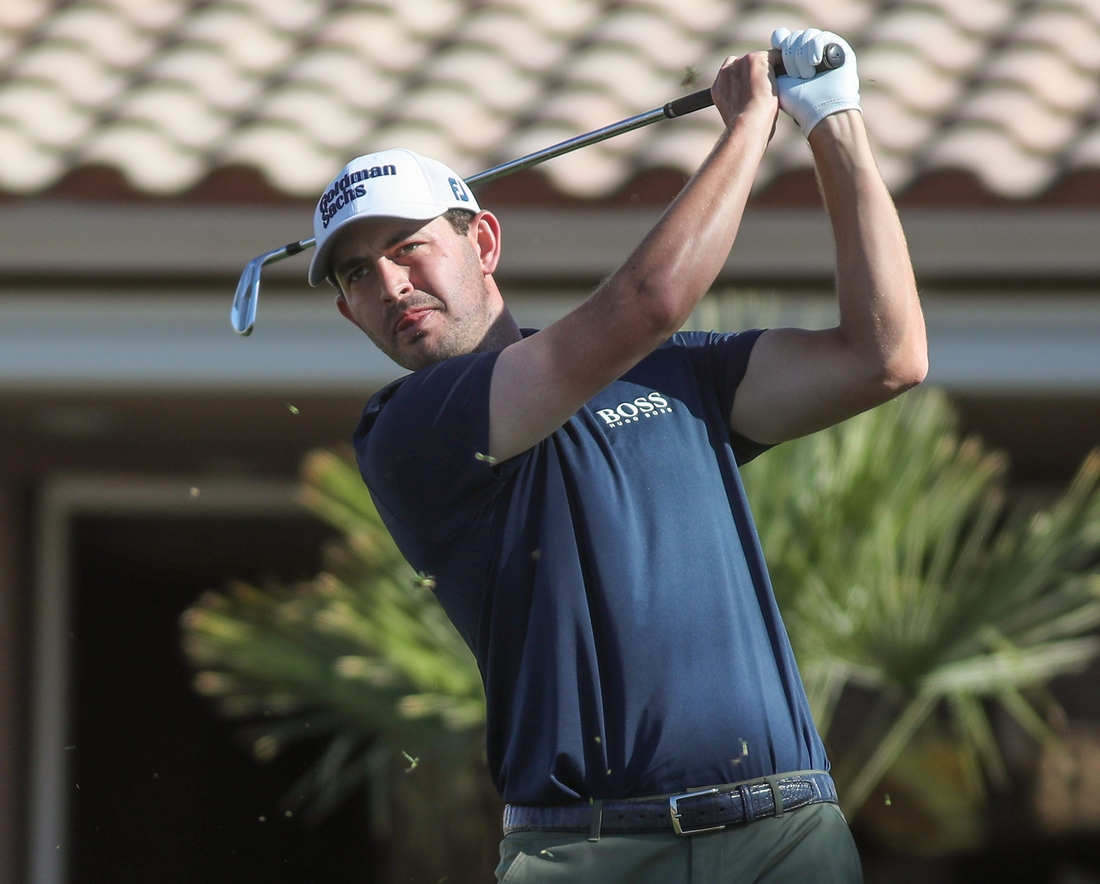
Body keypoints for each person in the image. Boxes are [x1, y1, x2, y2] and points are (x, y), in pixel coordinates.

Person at [308, 27, 926, 884]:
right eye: (356, 275)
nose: (391, 286)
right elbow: (649, 301)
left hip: (785, 837)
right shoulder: (410, 429)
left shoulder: (679, 378)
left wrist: (834, 120)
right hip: (587, 852)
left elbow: (885, 358)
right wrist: (750, 125)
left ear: (482, 243)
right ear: (348, 313)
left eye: (408, 247)